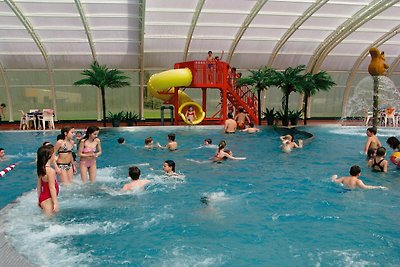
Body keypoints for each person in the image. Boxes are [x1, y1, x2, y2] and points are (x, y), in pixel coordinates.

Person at [36, 144, 59, 215]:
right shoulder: (50, 171)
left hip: (43, 198)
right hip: (48, 199)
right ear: (49, 156)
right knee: (49, 221)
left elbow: (39, 186)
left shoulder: (41, 168)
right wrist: (55, 203)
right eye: (53, 155)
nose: (55, 157)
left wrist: (39, 200)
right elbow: (52, 188)